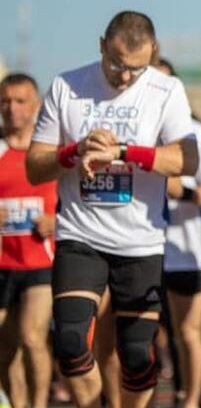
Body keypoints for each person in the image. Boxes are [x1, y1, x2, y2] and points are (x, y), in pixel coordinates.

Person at [25, 11, 198, 408]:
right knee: (70, 342)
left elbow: (187, 160)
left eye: (136, 68)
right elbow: (35, 167)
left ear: (153, 52)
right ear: (102, 45)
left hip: (140, 240)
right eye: (117, 64)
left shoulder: (166, 89)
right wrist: (76, 150)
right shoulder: (67, 86)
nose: (125, 77)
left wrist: (122, 152)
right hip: (80, 233)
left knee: (136, 355)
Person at [155, 59, 201, 408]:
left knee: (188, 333)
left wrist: (182, 192)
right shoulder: (125, 130)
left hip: (184, 253)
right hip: (134, 249)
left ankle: (191, 400)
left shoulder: (194, 135)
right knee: (141, 335)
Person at [0, 74, 57, 408]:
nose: (12, 108)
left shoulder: (48, 149)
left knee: (32, 336)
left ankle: (39, 404)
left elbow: (78, 199)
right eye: (6, 101)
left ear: (35, 105)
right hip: (3, 261)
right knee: (5, 348)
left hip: (40, 261)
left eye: (20, 101)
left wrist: (56, 221)